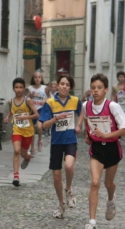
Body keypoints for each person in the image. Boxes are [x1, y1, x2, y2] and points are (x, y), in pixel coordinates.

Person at [81, 73, 125, 229]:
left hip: (111, 149)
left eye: (99, 88)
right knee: (95, 182)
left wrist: (105, 135)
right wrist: (89, 135)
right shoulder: (86, 106)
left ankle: (110, 200)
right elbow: (89, 124)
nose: (95, 91)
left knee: (108, 183)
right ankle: (92, 224)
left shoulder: (112, 107)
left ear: (106, 90)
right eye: (93, 87)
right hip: (96, 149)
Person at [39, 74, 82, 218]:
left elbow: (83, 113)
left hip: (70, 140)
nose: (64, 86)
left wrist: (79, 125)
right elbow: (44, 125)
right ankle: (61, 204)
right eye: (62, 84)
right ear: (57, 85)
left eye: (67, 84)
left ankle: (69, 189)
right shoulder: (50, 103)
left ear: (70, 87)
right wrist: (56, 118)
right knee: (56, 177)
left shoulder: (75, 101)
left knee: (69, 165)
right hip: (56, 143)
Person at [4, 78, 39, 187]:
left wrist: (26, 117)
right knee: (16, 151)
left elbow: (36, 114)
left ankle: (27, 157)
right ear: (13, 88)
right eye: (16, 87)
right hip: (17, 129)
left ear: (24, 89)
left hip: (28, 131)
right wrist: (7, 117)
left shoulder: (27, 100)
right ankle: (16, 176)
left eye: (20, 87)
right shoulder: (11, 101)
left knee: (23, 153)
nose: (18, 90)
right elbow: (12, 111)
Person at [28, 71, 48, 154]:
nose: (37, 79)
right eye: (35, 77)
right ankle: (32, 148)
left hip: (41, 109)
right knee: (32, 130)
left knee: (39, 127)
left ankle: (40, 140)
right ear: (33, 79)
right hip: (33, 110)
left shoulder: (44, 88)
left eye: (39, 77)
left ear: (41, 79)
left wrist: (45, 100)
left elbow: (50, 97)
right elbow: (27, 98)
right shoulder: (30, 88)